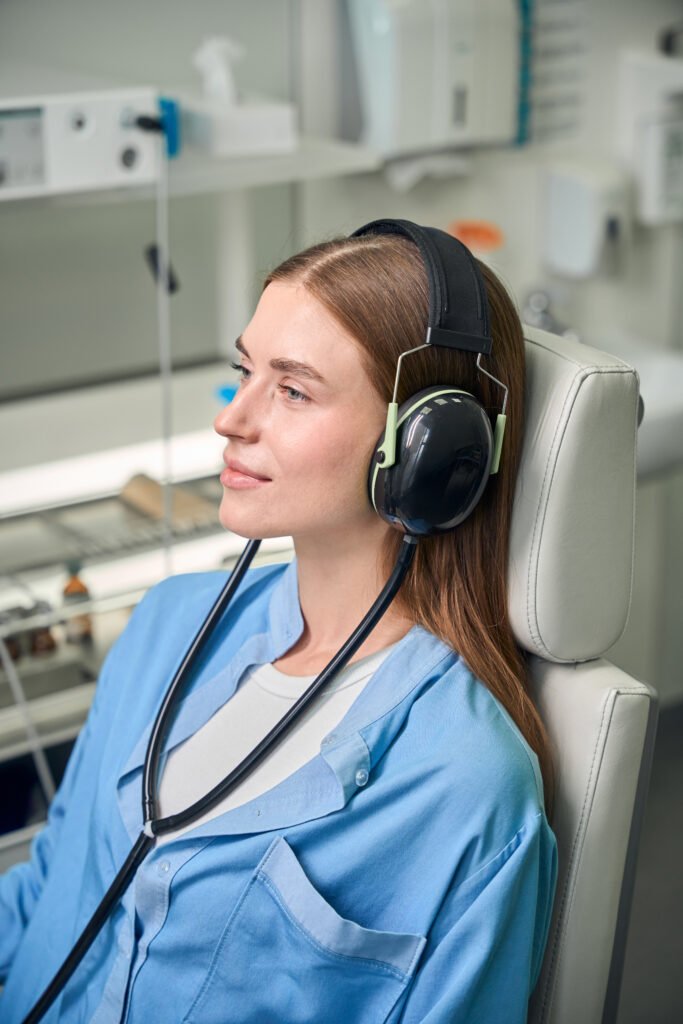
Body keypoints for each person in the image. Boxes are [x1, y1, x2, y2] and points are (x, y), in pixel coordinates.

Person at [0, 223, 558, 1023]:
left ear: (427, 452)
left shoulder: (465, 784)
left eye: (293, 391)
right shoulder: (166, 625)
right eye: (245, 372)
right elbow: (51, 886)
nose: (233, 419)